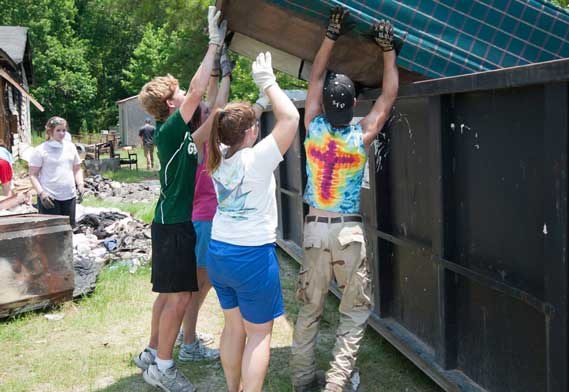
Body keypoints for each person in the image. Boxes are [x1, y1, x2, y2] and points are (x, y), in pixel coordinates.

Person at [290, 7, 399, 392]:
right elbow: (387, 97)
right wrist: (388, 50)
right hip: (348, 233)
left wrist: (330, 35)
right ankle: (336, 385)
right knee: (353, 314)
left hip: (314, 229)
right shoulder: (361, 136)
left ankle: (303, 380)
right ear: (354, 106)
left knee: (309, 310)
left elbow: (316, 76)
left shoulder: (311, 128)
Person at [133, 6, 228, 392]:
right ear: (172, 105)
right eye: (181, 94)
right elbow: (198, 89)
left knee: (171, 294)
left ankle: (152, 353)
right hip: (174, 226)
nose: (187, 95)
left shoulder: (182, 136)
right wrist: (212, 45)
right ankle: (164, 366)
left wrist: (225, 77)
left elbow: (210, 125)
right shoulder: (171, 129)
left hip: (172, 224)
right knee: (179, 297)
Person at [206, 52, 299, 392]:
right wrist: (268, 82)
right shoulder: (257, 159)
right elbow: (290, 118)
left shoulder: (217, 153)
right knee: (259, 333)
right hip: (251, 258)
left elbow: (230, 123)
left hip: (219, 253)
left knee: (233, 328)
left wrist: (256, 106)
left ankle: (234, 389)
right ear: (251, 133)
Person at [176, 44, 234, 363]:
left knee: (201, 284)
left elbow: (212, 103)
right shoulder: (196, 143)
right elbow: (220, 107)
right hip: (203, 221)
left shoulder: (192, 140)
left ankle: (189, 337)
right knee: (200, 285)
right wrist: (226, 73)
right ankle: (188, 343)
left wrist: (216, 72)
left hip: (200, 219)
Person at [29, 116, 85, 227]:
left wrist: (80, 184)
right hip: (49, 197)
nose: (62, 133)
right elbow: (33, 175)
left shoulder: (70, 147)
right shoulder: (40, 150)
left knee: (68, 230)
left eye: (64, 130)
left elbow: (77, 168)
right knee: (50, 232)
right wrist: (41, 193)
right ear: (50, 131)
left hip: (69, 195)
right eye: (58, 130)